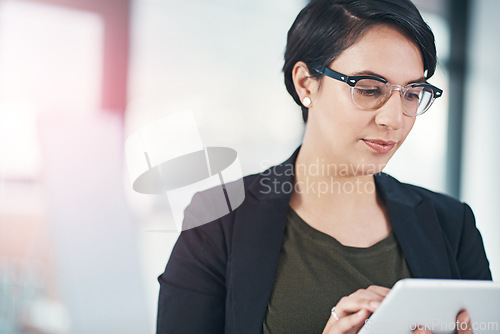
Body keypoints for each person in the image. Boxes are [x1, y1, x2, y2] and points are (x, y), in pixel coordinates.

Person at [156, 0, 491, 333]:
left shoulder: (453, 224)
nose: (393, 119)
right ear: (305, 83)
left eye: (412, 94)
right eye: (369, 89)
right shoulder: (218, 219)